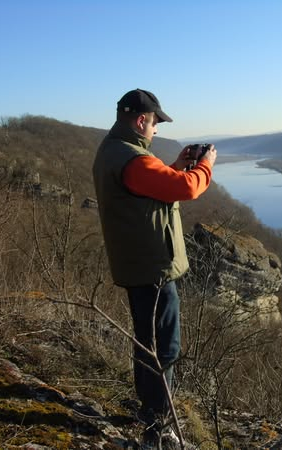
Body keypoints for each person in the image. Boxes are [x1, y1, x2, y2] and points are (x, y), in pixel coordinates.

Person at [92, 89, 216, 444]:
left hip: (138, 264)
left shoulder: (115, 151)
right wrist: (205, 165)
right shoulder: (131, 158)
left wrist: (176, 164)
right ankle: (157, 428)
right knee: (165, 347)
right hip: (152, 269)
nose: (157, 130)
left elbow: (155, 187)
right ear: (142, 120)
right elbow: (187, 189)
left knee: (147, 341)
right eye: (156, 123)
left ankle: (147, 411)